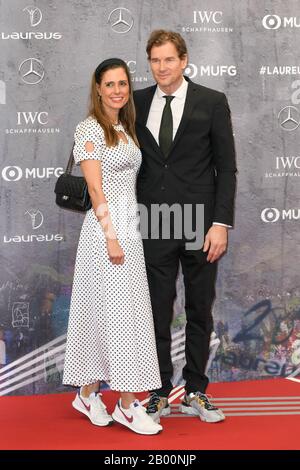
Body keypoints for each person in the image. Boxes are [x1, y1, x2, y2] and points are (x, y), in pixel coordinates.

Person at [134, 30, 237, 423]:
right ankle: (159, 391)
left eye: (169, 60)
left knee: (199, 309)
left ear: (184, 60)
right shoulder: (137, 101)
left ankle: (195, 389)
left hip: (199, 222)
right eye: (155, 61)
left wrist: (221, 223)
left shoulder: (212, 102)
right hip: (154, 221)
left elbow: (225, 167)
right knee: (157, 310)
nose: (162, 68)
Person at [62, 58, 162, 435]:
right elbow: (95, 189)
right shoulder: (89, 128)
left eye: (123, 83)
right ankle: (126, 402)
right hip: (106, 233)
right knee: (117, 315)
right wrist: (111, 235)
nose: (118, 90)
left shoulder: (125, 127)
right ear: (98, 88)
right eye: (110, 84)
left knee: (115, 314)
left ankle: (88, 394)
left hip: (128, 231)